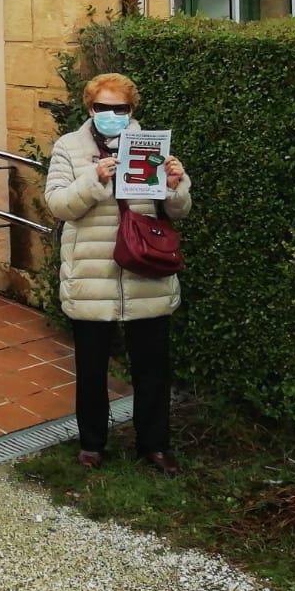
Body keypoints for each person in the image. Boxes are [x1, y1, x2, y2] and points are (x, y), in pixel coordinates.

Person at [43, 73, 190, 476]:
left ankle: (154, 445)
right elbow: (57, 204)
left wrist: (176, 185)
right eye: (103, 108)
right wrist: (95, 179)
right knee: (91, 370)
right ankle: (92, 444)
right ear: (90, 109)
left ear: (132, 111)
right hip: (92, 275)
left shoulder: (151, 145)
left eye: (120, 109)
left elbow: (178, 210)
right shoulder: (69, 148)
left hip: (146, 275)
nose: (111, 115)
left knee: (153, 369)